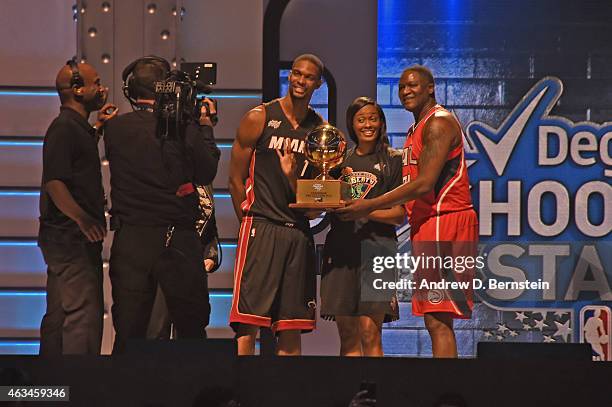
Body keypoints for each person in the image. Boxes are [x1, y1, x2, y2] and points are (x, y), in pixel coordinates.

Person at [336, 65, 478, 358]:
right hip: (428, 223)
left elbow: (424, 184)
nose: (406, 91)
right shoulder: (418, 127)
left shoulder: (438, 124)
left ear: (430, 88)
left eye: (413, 85)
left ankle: (446, 397)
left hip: (445, 220)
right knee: (433, 318)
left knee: (439, 319)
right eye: (401, 87)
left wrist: (369, 204)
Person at [103, 56, 220, 353]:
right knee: (191, 328)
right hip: (176, 236)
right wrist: (203, 125)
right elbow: (206, 171)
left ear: (131, 90)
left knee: (129, 331)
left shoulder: (114, 130)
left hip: (130, 239)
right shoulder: (182, 128)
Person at [228, 54, 325, 355]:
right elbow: (234, 179)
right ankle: (240, 395)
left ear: (318, 83)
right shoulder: (259, 116)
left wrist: (293, 177)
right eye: (297, 73)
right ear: (289, 75)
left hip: (297, 232)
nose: (300, 80)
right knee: (248, 325)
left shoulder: (320, 129)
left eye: (308, 77)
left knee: (290, 327)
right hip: (262, 227)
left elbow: (317, 199)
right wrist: (249, 220)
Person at [38, 59, 116, 355]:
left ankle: (50, 390)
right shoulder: (64, 129)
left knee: (59, 316)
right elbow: (55, 183)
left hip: (62, 240)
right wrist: (84, 220)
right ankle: (77, 390)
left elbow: (71, 164)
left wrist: (97, 129)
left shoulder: (73, 129)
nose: (102, 88)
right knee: (83, 318)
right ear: (78, 89)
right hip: (72, 241)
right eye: (96, 83)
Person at [320, 97, 404, 356]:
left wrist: (364, 208)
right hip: (342, 251)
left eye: (373, 118)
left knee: (370, 333)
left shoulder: (393, 160)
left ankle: (374, 395)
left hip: (379, 251)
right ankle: (351, 395)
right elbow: (322, 199)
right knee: (347, 336)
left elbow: (399, 215)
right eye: (361, 119)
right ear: (352, 124)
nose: (368, 124)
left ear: (381, 122)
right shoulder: (337, 161)